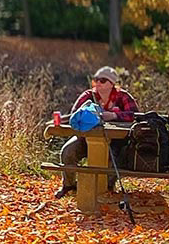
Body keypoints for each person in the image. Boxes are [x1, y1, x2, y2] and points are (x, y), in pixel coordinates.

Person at [55, 66, 138, 198]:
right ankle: (69, 185)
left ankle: (106, 190)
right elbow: (74, 114)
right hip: (86, 138)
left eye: (103, 80)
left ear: (112, 83)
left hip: (116, 141)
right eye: (96, 80)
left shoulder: (124, 97)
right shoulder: (88, 96)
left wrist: (114, 115)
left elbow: (135, 115)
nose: (98, 83)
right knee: (68, 152)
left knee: (114, 160)